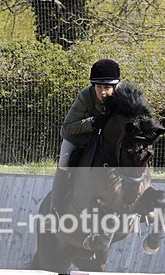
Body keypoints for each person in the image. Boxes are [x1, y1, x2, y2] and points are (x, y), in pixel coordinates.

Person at [50, 58, 121, 213]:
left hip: (104, 140)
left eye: (107, 87)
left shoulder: (122, 97)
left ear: (115, 86)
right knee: (63, 163)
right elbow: (68, 126)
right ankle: (54, 207)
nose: (102, 92)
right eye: (98, 87)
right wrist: (93, 122)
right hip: (78, 137)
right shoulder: (85, 96)